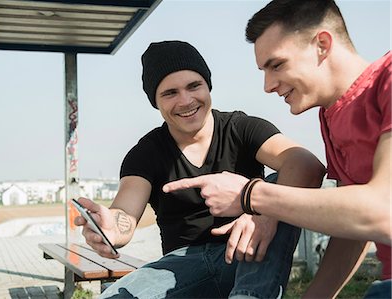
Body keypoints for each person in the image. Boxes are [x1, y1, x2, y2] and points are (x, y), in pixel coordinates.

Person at [163, 1, 391, 298]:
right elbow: (354, 226)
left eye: (277, 65)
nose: (268, 85)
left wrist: (251, 195)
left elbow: (383, 209)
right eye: (263, 70)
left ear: (322, 45)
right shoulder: (331, 116)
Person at [74, 40, 325, 298]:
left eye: (194, 86)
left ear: (208, 86)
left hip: (247, 258)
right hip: (181, 268)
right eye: (170, 93)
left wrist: (265, 214)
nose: (185, 100)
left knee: (280, 183)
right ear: (155, 102)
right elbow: (125, 212)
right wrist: (111, 228)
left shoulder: (241, 128)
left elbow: (306, 165)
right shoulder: (146, 153)